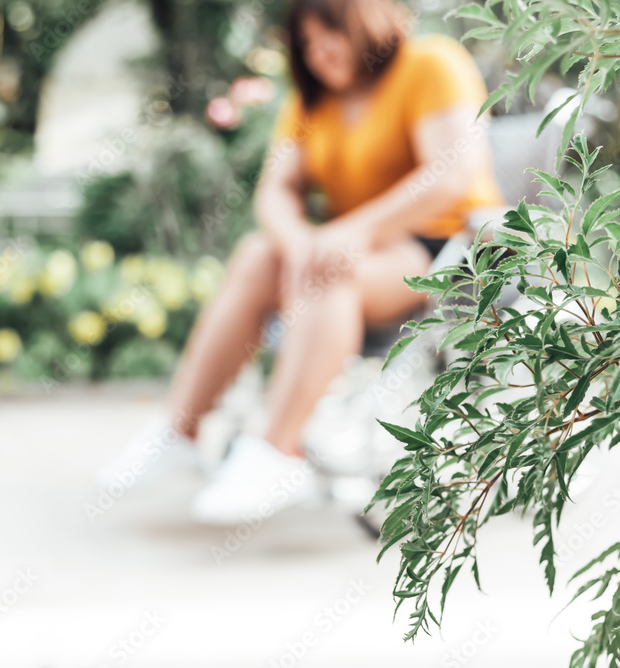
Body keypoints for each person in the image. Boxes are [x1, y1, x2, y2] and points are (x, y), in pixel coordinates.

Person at [97, 0, 504, 524]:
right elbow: (275, 191)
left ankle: (278, 449)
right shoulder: (313, 99)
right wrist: (298, 243)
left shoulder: (431, 63)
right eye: (307, 43)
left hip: (441, 249)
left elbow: (452, 174)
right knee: (259, 254)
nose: (318, 53)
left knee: (327, 269)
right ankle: (182, 430)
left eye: (330, 34)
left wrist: (349, 232)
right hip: (346, 249)